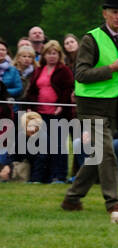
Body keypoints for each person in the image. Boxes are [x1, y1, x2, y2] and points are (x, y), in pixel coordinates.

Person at [60, 0, 118, 213]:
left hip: (114, 104)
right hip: (91, 104)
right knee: (107, 151)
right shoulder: (90, 39)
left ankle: (72, 198)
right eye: (114, 12)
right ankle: (113, 202)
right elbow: (81, 74)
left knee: (98, 156)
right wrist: (112, 68)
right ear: (105, 14)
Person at [20, 41, 75, 183]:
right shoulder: (39, 70)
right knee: (41, 145)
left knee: (58, 146)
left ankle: (59, 176)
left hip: (58, 114)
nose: (51, 56)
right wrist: (30, 105)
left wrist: (61, 105)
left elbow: (68, 89)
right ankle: (39, 177)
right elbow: (32, 90)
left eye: (54, 53)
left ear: (59, 55)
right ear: (44, 55)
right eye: (49, 53)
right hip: (40, 114)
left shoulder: (64, 70)